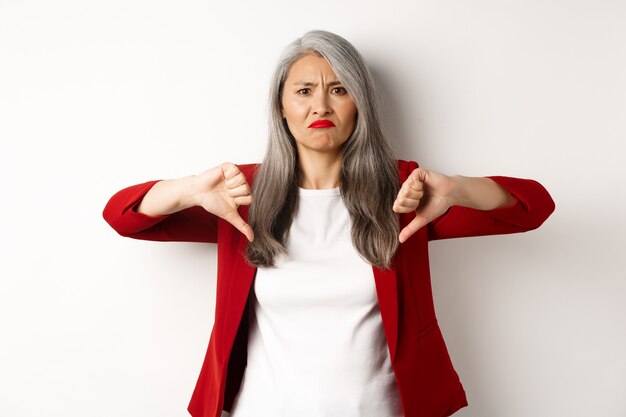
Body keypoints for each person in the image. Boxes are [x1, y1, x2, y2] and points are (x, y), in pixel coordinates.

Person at [103, 30, 555, 417]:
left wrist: (458, 188)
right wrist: (187, 190)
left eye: (339, 89)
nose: (321, 104)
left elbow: (532, 207)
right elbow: (123, 217)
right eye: (304, 91)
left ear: (360, 104)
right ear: (281, 106)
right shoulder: (239, 195)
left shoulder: (403, 192)